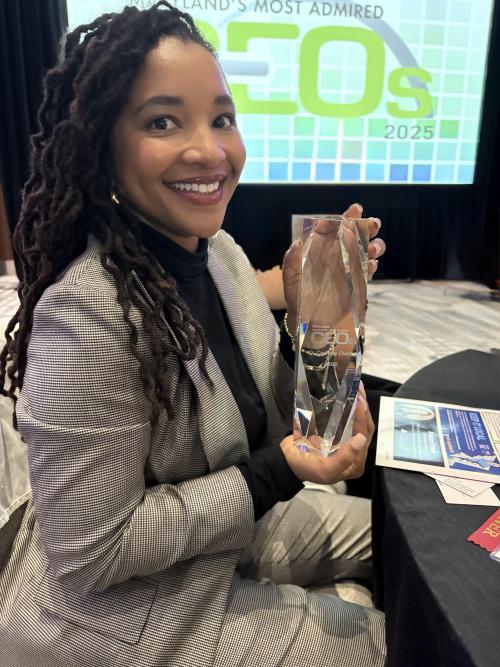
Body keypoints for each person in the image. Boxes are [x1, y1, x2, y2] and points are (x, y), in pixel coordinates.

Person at [0, 3, 386, 665]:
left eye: (222, 118)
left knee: (405, 540)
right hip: (123, 608)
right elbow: (92, 553)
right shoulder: (84, 315)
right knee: (384, 644)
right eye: (162, 121)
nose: (210, 150)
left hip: (219, 539)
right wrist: (283, 468)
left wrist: (315, 313)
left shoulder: (221, 253)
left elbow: (280, 414)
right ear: (103, 147)